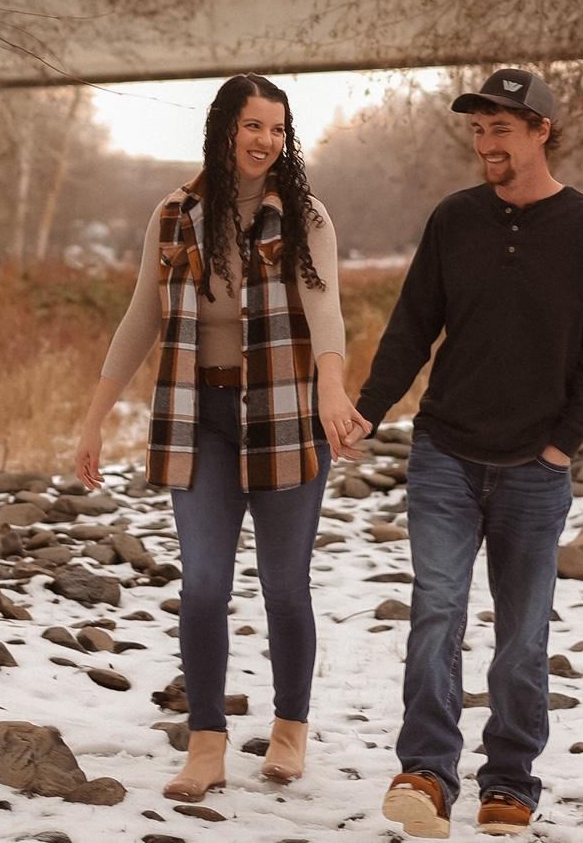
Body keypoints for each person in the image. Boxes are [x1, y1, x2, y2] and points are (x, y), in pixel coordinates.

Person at [74, 73, 370, 803]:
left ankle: (290, 728)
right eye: (254, 126)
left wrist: (333, 387)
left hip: (284, 417)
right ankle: (206, 744)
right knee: (204, 585)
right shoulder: (175, 214)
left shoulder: (305, 217)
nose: (266, 140)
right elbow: (141, 316)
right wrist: (94, 417)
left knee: (284, 586)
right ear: (225, 129)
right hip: (199, 419)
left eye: (278, 128)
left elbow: (324, 309)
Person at [356, 68, 583, 839]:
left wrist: (563, 443)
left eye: (501, 129)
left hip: (535, 468)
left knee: (522, 635)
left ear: (543, 131)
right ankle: (426, 772)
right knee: (437, 612)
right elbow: (414, 324)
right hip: (444, 450)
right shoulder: (455, 219)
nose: (486, 145)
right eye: (477, 131)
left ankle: (509, 779)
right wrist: (369, 409)